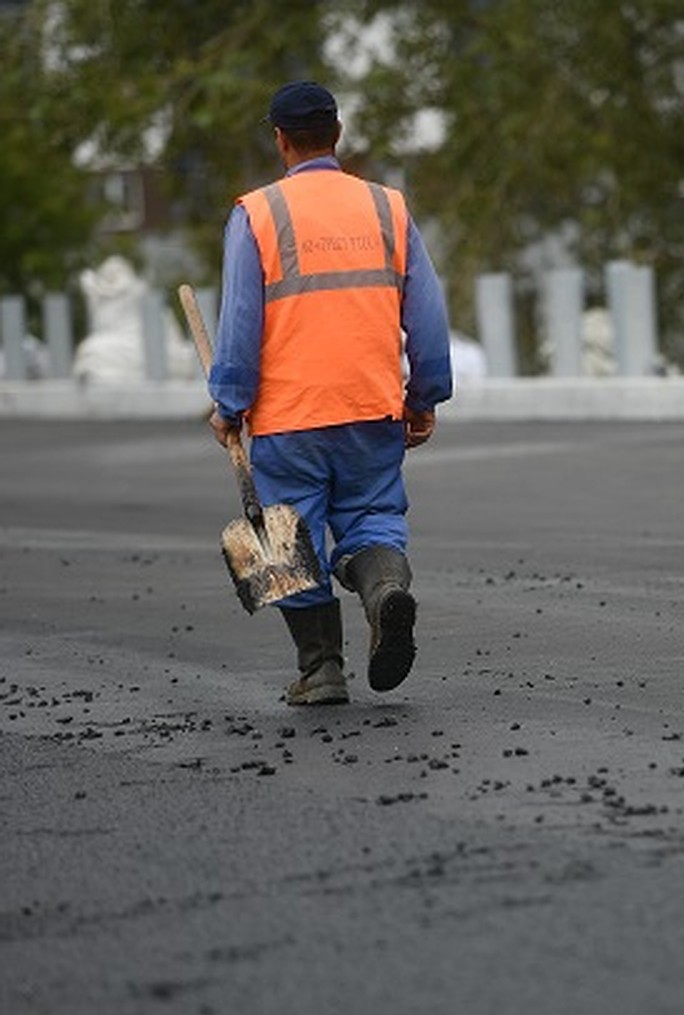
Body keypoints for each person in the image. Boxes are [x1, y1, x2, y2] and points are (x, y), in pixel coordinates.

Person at [206, 81, 453, 706]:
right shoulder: (387, 208)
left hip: (290, 418)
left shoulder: (256, 214)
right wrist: (423, 396)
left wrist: (229, 402)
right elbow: (426, 314)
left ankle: (321, 671)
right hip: (372, 408)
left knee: (292, 540)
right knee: (372, 518)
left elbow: (240, 320)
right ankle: (383, 594)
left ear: (281, 140)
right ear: (337, 136)